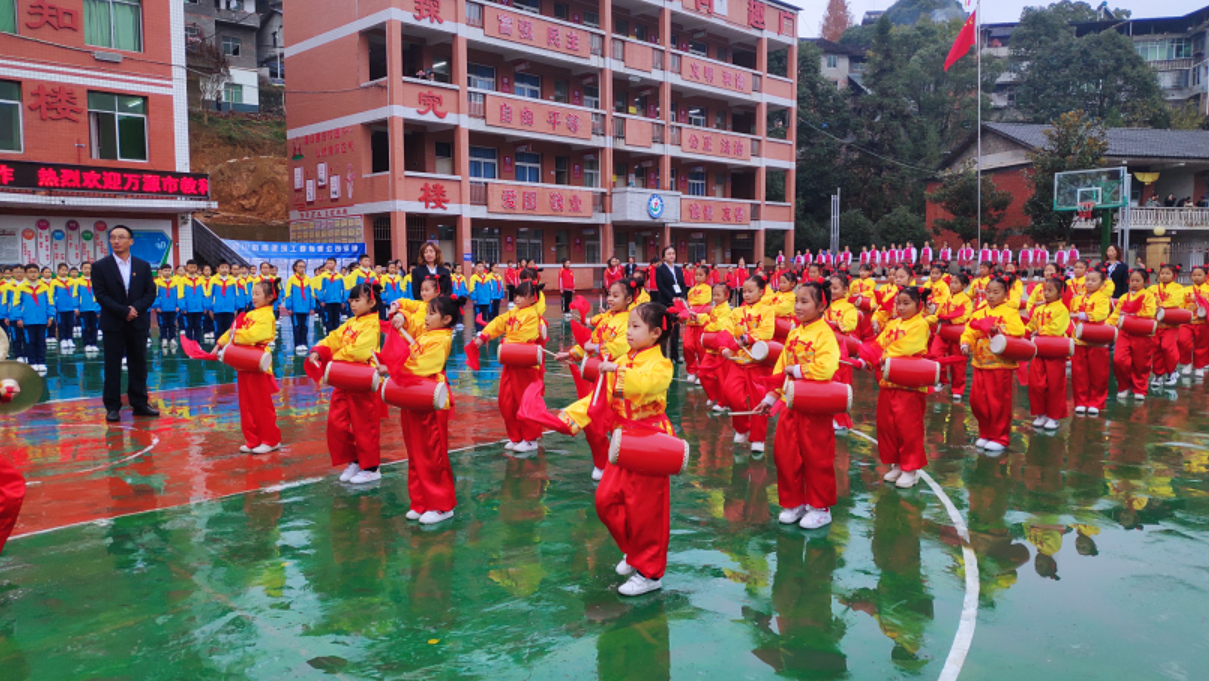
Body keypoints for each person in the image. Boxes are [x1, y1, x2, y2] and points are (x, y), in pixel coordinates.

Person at [550, 302, 677, 596]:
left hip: (650, 443)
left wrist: (616, 372)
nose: (628, 331)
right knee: (606, 500)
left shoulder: (661, 364)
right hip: (623, 440)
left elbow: (645, 385)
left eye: (635, 327)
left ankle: (650, 572)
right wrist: (567, 418)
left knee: (647, 510)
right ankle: (634, 552)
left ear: (656, 333)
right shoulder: (626, 359)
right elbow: (599, 398)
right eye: (628, 325)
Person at [760, 278, 839, 528]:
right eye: (796, 301)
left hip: (815, 405)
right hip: (790, 403)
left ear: (821, 306)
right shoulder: (795, 332)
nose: (798, 306)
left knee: (816, 457)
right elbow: (781, 367)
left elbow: (826, 368)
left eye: (805, 301)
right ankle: (794, 502)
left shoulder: (825, 334)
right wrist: (771, 396)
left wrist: (798, 370)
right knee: (786, 455)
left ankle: (820, 507)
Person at [382, 294, 459, 524]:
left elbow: (423, 366)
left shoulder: (442, 339)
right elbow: (413, 318)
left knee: (432, 453)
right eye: (427, 313)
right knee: (415, 451)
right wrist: (402, 318)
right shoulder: (427, 333)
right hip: (413, 396)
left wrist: (393, 368)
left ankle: (442, 505)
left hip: (429, 399)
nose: (426, 317)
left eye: (432, 313)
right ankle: (420, 501)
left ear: (446, 319)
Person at [555, 278, 634, 479]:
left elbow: (622, 346)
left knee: (619, 424)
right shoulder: (606, 319)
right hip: (598, 377)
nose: (610, 299)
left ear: (629, 299)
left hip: (618, 378)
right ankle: (603, 462)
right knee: (594, 424)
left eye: (616, 296)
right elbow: (590, 343)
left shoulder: (631, 321)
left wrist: (597, 348)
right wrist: (571, 354)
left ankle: (621, 462)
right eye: (609, 295)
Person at [310, 282, 384, 484]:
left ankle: (371, 467)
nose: (352, 304)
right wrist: (319, 349)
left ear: (371, 302)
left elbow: (360, 352)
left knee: (365, 425)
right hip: (344, 377)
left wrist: (333, 358)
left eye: (357, 300)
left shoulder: (373, 323)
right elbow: (334, 337)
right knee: (336, 422)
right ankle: (354, 459)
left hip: (363, 380)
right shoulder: (351, 322)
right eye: (351, 300)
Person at [92, 225, 160, 423]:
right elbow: (101, 295)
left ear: (131, 241)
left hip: (137, 322)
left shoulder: (143, 266)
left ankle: (140, 403)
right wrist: (123, 311)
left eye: (121, 237)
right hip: (113, 322)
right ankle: (112, 407)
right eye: (112, 237)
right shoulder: (100, 266)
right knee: (112, 366)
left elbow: (150, 292)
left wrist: (135, 309)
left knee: (138, 364)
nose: (116, 241)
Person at [473, 280, 545, 452]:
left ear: (532, 298)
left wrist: (506, 342)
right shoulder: (513, 313)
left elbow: (526, 336)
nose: (517, 299)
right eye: (516, 296)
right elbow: (498, 322)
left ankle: (530, 438)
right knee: (506, 402)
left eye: (522, 296)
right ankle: (516, 436)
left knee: (525, 401)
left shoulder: (533, 315)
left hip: (525, 364)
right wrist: (483, 336)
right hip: (510, 361)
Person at [870, 286, 931, 487]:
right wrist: (867, 355)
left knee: (908, 427)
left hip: (909, 384)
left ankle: (911, 468)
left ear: (918, 305)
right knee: (888, 426)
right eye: (899, 303)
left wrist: (883, 354)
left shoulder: (920, 325)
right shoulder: (893, 324)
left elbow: (907, 347)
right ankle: (896, 463)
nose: (901, 307)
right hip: (889, 382)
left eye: (907, 303)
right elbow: (878, 344)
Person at [961, 274, 1027, 453]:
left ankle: (1000, 437)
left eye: (995, 292)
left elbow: (1019, 331)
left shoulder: (1010, 311)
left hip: (1000, 365)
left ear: (1005, 294)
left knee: (998, 403)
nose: (990, 296)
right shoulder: (980, 312)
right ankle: (986, 432)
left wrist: (1000, 330)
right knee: (977, 401)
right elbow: (970, 331)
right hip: (980, 362)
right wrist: (966, 343)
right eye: (988, 292)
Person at [219, 278, 282, 454]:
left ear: (269, 297)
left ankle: (270, 440)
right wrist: (220, 343)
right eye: (252, 293)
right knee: (246, 403)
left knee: (261, 403)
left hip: (257, 361)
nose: (253, 297)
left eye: (257, 294)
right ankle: (253, 439)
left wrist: (234, 335)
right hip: (244, 360)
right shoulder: (250, 313)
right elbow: (233, 329)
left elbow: (253, 335)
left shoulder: (268, 315)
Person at [721, 274, 775, 453]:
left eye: (751, 291)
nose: (746, 294)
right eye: (744, 291)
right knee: (731, 394)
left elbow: (767, 330)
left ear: (761, 292)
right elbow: (726, 332)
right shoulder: (735, 312)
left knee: (759, 401)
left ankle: (758, 438)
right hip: (738, 362)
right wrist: (725, 347)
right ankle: (742, 427)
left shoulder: (767, 310)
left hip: (758, 364)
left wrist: (746, 338)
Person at [1027, 276, 1071, 430]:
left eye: (1050, 290)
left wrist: (1038, 332)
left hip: (1054, 351)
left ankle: (1054, 416)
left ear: (1060, 293)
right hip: (1039, 351)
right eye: (1044, 290)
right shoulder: (1038, 309)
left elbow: (1057, 329)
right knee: (1036, 384)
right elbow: (1030, 326)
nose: (1045, 293)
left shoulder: (1062, 309)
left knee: (1054, 385)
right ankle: (1041, 413)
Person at [1109, 268, 1157, 400]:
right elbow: (1116, 314)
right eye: (1132, 280)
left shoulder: (1149, 296)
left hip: (1142, 333)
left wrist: (1132, 315)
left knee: (1141, 363)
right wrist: (1108, 324)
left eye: (1138, 280)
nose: (1134, 283)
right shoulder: (1124, 297)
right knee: (1119, 360)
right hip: (1124, 332)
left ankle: (1139, 388)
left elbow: (1150, 313)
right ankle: (1124, 386)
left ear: (1145, 281)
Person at [1070, 266, 1112, 415]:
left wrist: (1080, 316)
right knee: (1079, 373)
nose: (1089, 283)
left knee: (1098, 373)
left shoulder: (1103, 299)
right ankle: (1080, 401)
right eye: (1087, 280)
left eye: (1094, 280)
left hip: (1097, 338)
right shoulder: (1076, 299)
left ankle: (1096, 402)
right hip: (1079, 339)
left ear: (1102, 284)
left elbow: (1100, 315)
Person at [928, 271, 972, 402]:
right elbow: (939, 312)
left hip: (957, 332)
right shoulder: (948, 298)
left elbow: (964, 316)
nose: (952, 285)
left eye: (956, 282)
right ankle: (942, 379)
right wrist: (930, 319)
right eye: (951, 282)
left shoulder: (966, 300)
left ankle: (957, 389)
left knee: (957, 362)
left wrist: (949, 320)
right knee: (935, 354)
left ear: (964, 286)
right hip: (943, 331)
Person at [824, 273, 858, 434]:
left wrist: (833, 324)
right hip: (827, 347)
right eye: (830, 287)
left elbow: (850, 324)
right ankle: (830, 416)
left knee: (842, 384)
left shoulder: (849, 307)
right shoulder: (826, 306)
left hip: (842, 350)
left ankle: (841, 420)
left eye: (836, 288)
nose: (832, 291)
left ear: (846, 290)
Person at [1149, 263, 1185, 387]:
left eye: (1167, 273)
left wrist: (1162, 306)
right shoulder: (1152, 289)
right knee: (1156, 348)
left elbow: (1176, 300)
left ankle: (1171, 371)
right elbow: (1147, 300)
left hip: (1170, 323)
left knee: (1167, 347)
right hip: (1156, 324)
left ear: (1174, 275)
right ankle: (1158, 374)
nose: (1164, 276)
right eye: (1162, 273)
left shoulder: (1178, 288)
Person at [15, 264, 53, 373]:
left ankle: (41, 362)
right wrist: (19, 318)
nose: (33, 274)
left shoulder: (45, 287)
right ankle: (32, 362)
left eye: (35, 272)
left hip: (42, 319)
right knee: (29, 342)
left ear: (39, 273)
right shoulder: (21, 288)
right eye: (30, 272)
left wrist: (50, 316)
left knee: (41, 341)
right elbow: (16, 304)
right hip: (28, 320)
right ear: (26, 274)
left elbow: (49, 302)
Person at [654, 246, 687, 363]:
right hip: (666, 302)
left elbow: (683, 284)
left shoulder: (678, 269)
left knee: (676, 328)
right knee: (665, 328)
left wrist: (681, 297)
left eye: (673, 253)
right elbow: (661, 286)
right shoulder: (660, 269)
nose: (671, 256)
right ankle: (663, 356)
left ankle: (675, 356)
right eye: (669, 254)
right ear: (664, 256)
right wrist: (672, 298)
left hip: (677, 302)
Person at [682, 264, 712, 383]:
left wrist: (690, 306)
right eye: (696, 275)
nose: (698, 277)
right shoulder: (691, 290)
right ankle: (691, 370)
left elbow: (703, 301)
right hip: (691, 322)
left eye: (701, 275)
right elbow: (689, 303)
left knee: (701, 348)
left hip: (702, 322)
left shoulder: (708, 289)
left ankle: (702, 371)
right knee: (687, 346)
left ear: (706, 276)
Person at [1179, 265, 1209, 378]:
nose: (1196, 277)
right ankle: (1187, 363)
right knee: (1183, 341)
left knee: (1202, 345)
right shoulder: (1186, 290)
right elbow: (1181, 304)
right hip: (1187, 321)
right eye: (1194, 275)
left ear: (1206, 276)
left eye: (1199, 275)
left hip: (1203, 322)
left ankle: (1199, 366)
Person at [282, 259, 313, 355]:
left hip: (306, 308)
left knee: (305, 326)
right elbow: (288, 294)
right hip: (295, 308)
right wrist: (289, 307)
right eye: (300, 266)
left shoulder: (308, 279)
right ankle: (297, 344)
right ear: (295, 267)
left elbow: (311, 294)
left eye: (303, 267)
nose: (302, 269)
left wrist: (312, 307)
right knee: (296, 326)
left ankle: (304, 343)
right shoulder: (291, 279)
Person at [209, 260, 239, 343]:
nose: (224, 269)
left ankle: (227, 348)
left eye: (226, 267)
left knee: (228, 330)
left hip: (229, 309)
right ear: (217, 269)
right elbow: (209, 295)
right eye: (222, 267)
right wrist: (210, 309)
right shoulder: (213, 280)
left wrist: (236, 308)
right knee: (218, 330)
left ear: (229, 270)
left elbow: (236, 295)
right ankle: (218, 348)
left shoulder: (232, 280)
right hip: (217, 309)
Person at [52, 263, 78, 353]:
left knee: (70, 323)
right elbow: (52, 295)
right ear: (58, 271)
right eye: (62, 270)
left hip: (71, 307)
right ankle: (63, 339)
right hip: (60, 308)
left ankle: (70, 339)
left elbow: (75, 294)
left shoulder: (72, 281)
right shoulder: (54, 282)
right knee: (61, 324)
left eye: (66, 270)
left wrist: (75, 305)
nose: (64, 272)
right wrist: (54, 306)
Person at [152, 264, 180, 350]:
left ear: (171, 271)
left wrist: (178, 305)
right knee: (162, 324)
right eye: (165, 270)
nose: (167, 272)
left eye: (169, 270)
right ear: (161, 272)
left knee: (172, 324)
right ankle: (163, 339)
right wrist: (157, 306)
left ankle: (172, 339)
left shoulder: (175, 282)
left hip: (173, 307)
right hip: (162, 308)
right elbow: (155, 295)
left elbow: (179, 295)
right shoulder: (157, 282)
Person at [76, 262, 100, 354]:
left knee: (94, 327)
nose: (87, 270)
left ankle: (94, 343)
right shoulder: (78, 281)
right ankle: (86, 344)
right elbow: (75, 295)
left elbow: (100, 295)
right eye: (85, 268)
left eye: (89, 268)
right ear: (81, 270)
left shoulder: (96, 280)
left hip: (94, 308)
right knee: (85, 327)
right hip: (83, 308)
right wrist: (76, 307)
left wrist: (99, 308)